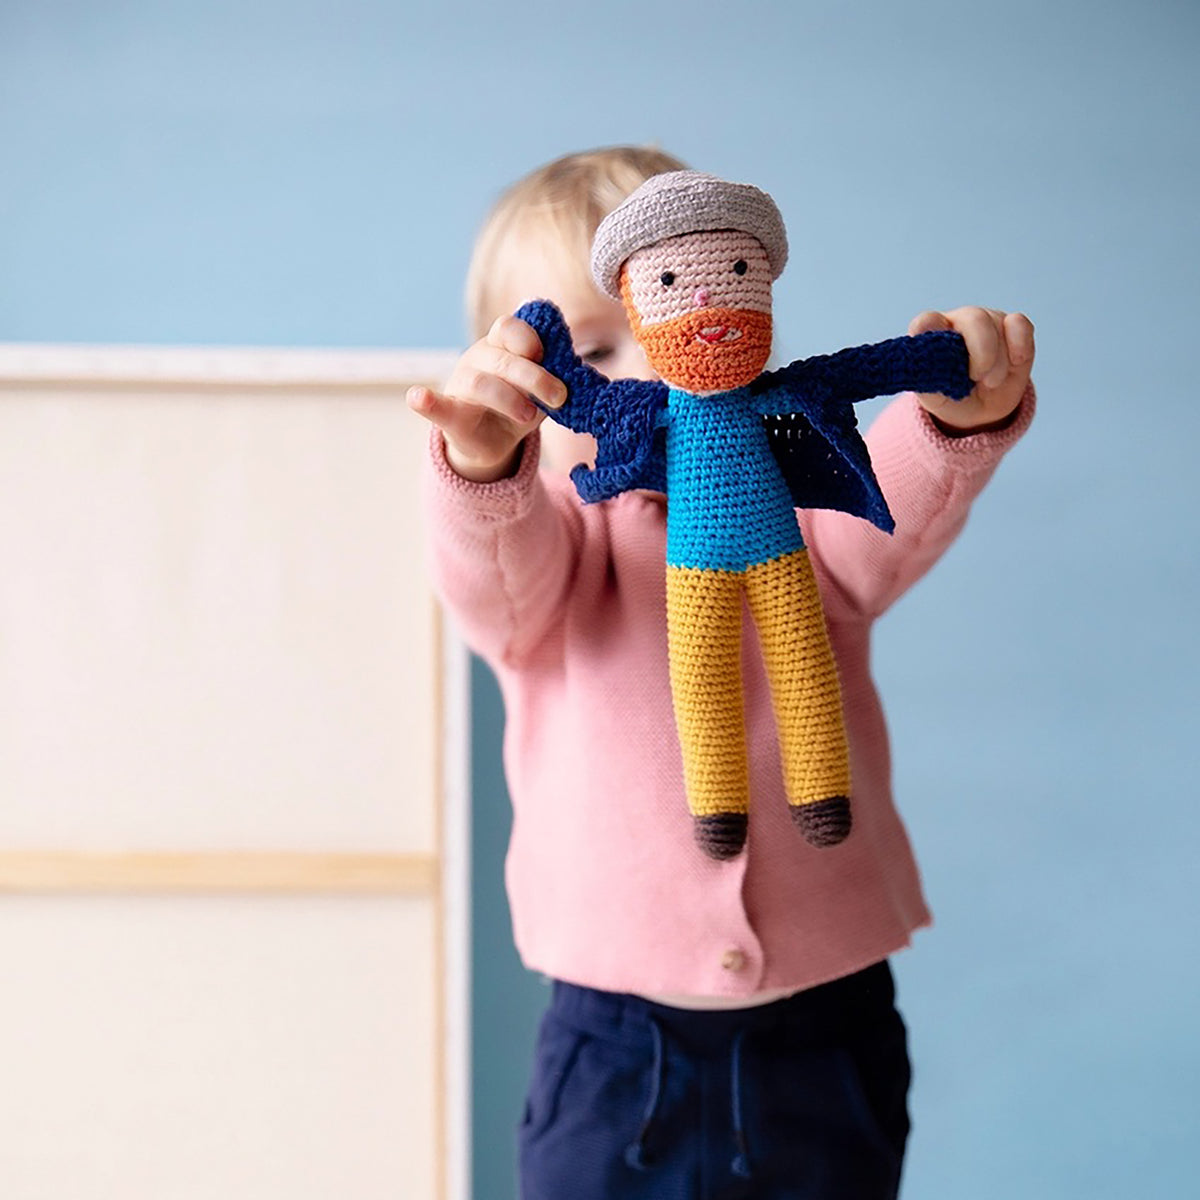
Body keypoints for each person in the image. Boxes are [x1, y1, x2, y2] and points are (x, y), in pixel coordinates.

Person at [409, 145, 1035, 1200]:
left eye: (664, 316)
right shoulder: (550, 548)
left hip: (824, 1030)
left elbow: (881, 509)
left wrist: (949, 420)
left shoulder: (796, 507)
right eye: (591, 349)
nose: (651, 372)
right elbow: (493, 579)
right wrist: (482, 464)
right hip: (613, 1052)